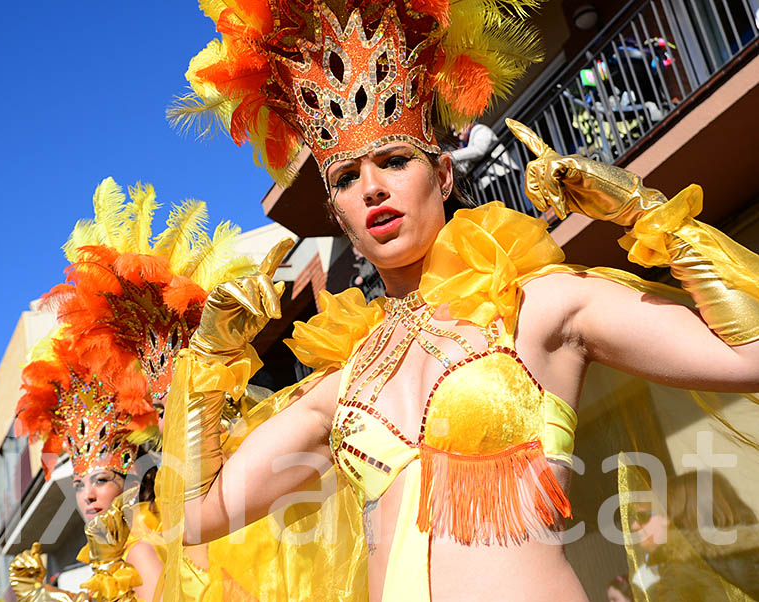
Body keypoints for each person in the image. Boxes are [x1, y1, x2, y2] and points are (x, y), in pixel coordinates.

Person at [160, 2, 759, 601]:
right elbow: (197, 515)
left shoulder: (537, 308)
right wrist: (210, 354)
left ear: (443, 175)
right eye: (346, 178)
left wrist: (644, 214)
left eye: (394, 161)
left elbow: (748, 356)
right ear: (338, 216)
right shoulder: (341, 388)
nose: (372, 187)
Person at [10, 178, 256, 602]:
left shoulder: (145, 530)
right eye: (81, 485)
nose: (88, 496)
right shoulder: (133, 527)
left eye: (101, 480)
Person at [631, 471, 759, 601]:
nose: (634, 525)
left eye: (643, 516)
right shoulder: (751, 556)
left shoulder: (683, 576)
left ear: (674, 518)